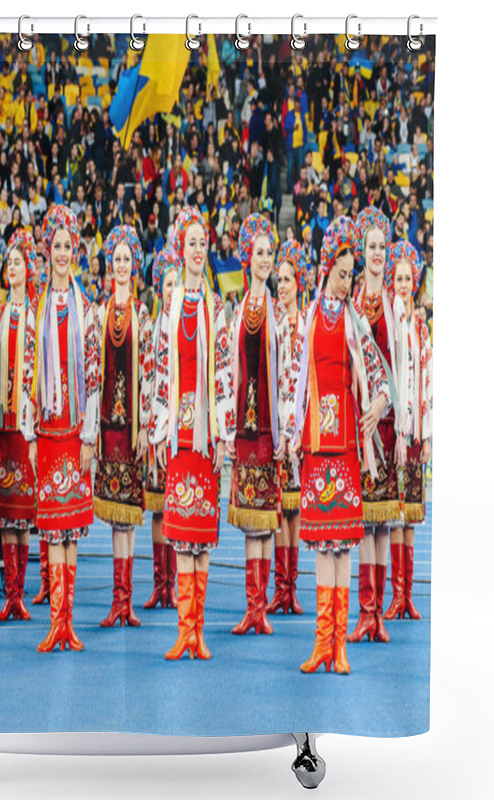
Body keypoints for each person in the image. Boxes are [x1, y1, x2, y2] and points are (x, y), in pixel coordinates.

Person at [288, 216, 390, 675]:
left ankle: (339, 647)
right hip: (315, 443)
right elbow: (297, 380)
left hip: (347, 445)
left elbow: (379, 372)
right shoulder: (310, 316)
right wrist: (293, 432)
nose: (349, 281)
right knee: (322, 547)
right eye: (344, 272)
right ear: (329, 267)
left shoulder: (353, 320)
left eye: (353, 274)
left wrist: (379, 405)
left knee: (342, 548)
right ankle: (321, 643)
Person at [150, 206, 236, 660]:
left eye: (203, 243)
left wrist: (223, 432)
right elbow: (162, 367)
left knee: (201, 532)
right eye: (191, 243)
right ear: (180, 250)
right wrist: (160, 429)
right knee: (181, 529)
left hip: (206, 433)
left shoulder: (215, 306)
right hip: (180, 433)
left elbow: (223, 370)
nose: (198, 250)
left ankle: (198, 630)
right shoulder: (169, 305)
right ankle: (183, 630)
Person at [21, 204, 101, 653]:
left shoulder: (85, 307)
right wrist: (30, 435)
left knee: (71, 525)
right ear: (47, 251)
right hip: (48, 430)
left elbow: (93, 374)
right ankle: (56, 622)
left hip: (75, 431)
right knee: (51, 526)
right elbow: (30, 371)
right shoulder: (37, 308)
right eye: (56, 246)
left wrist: (89, 435)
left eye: (69, 246)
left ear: (76, 252)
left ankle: (68, 619)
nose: (63, 253)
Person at [227, 214, 293, 637]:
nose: (265, 260)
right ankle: (252, 607)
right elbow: (229, 372)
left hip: (269, 427)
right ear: (247, 258)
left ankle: (262, 606)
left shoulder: (280, 313)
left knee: (267, 517)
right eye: (259, 253)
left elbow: (287, 373)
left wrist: (286, 430)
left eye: (270, 253)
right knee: (252, 518)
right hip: (243, 429)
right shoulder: (236, 312)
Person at [347, 206, 407, 645]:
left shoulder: (394, 305)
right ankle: (365, 610)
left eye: (381, 247)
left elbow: (401, 370)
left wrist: (400, 422)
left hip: (386, 426)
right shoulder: (351, 304)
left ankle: (378, 613)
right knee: (365, 520)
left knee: (383, 522)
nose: (377, 254)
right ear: (360, 252)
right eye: (370, 247)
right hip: (360, 429)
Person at [95, 225, 152, 628]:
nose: (120, 265)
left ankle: (126, 600)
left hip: (132, 426)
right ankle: (118, 599)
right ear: (109, 266)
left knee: (130, 514)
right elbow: (92, 373)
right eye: (115, 259)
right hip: (107, 426)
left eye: (126, 259)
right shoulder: (99, 313)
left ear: (134, 266)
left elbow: (149, 373)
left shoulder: (142, 314)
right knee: (117, 517)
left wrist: (147, 426)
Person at [0, 229, 39, 624]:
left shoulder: (35, 314)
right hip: (2, 425)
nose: (13, 268)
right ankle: (10, 594)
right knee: (5, 511)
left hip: (25, 426)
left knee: (23, 511)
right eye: (9, 263)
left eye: (18, 262)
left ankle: (20, 591)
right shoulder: (0, 314)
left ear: (29, 269)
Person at [383, 240, 432, 621]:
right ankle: (395, 595)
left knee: (412, 513)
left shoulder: (421, 327)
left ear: (414, 281)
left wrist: (428, 434)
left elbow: (429, 381)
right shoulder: (388, 321)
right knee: (395, 513)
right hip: (394, 432)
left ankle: (407, 594)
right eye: (396, 278)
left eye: (406, 278)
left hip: (415, 433)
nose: (401, 283)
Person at [268, 240, 309, 616]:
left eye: (287, 280)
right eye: (278, 280)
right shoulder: (272, 322)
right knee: (279, 509)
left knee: (295, 511)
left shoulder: (306, 323)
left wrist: (295, 431)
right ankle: (280, 587)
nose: (281, 286)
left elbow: (303, 384)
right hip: (277, 431)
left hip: (296, 432)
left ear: (300, 283)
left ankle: (291, 586)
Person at [142, 247, 181, 610]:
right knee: (157, 507)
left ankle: (175, 581)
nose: (171, 289)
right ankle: (160, 582)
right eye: (166, 284)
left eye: (175, 283)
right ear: (158, 289)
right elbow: (148, 379)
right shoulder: (153, 328)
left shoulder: (184, 324)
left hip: (181, 429)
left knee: (175, 505)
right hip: (157, 429)